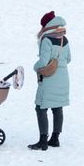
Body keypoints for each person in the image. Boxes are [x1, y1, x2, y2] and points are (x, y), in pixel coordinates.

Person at [28, 11, 70, 151]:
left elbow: (43, 62)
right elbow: (69, 58)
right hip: (63, 77)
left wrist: (35, 67)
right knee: (57, 108)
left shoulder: (47, 39)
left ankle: (43, 141)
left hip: (49, 79)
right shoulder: (64, 38)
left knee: (41, 108)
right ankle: (55, 139)